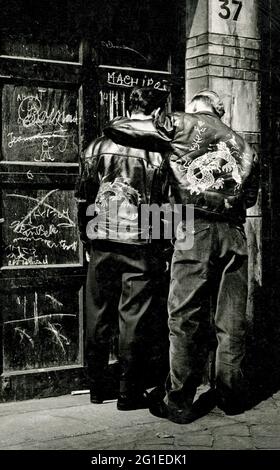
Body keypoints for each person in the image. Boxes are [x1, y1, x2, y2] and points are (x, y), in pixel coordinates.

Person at [104, 89, 260, 423]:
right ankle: (231, 395)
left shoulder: (182, 123)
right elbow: (248, 200)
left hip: (194, 228)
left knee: (185, 315)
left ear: (195, 109)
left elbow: (117, 127)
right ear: (220, 113)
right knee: (230, 319)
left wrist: (159, 126)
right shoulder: (246, 148)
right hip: (234, 234)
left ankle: (178, 400)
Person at [75, 87, 170, 411]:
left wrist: (87, 238)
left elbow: (84, 198)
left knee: (98, 314)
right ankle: (129, 393)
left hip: (101, 239)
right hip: (140, 244)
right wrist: (165, 248)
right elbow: (166, 204)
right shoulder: (160, 151)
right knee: (134, 318)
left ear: (130, 108)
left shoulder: (97, 145)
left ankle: (98, 388)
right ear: (156, 113)